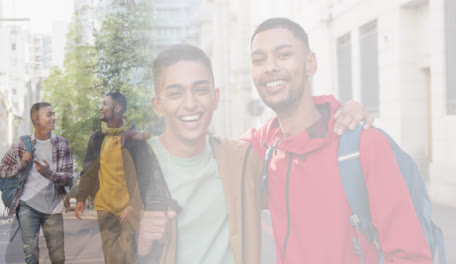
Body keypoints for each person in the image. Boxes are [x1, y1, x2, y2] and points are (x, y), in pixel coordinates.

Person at [134, 43, 373, 264]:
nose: (190, 103)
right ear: (158, 105)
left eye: (200, 90)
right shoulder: (131, 166)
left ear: (216, 98)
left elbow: (288, 135)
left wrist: (338, 112)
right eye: (175, 93)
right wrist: (139, 243)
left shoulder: (241, 158)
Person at [242, 17, 433, 263]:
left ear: (310, 64)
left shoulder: (364, 145)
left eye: (283, 55)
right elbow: (203, 152)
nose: (269, 67)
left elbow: (411, 256)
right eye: (259, 60)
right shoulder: (265, 146)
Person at [74, 92, 151, 264]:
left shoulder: (134, 138)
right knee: (111, 257)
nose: (100, 107)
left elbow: (144, 174)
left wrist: (134, 204)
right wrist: (80, 197)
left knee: (129, 255)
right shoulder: (97, 138)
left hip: (129, 208)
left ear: (117, 108)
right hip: (105, 206)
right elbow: (89, 170)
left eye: (105, 104)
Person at [0, 102, 73, 264]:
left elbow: (68, 178)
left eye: (54, 114)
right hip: (27, 207)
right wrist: (21, 165)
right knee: (30, 255)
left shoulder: (62, 144)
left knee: (58, 257)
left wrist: (48, 173)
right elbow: (2, 170)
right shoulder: (22, 144)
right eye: (49, 115)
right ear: (36, 119)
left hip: (53, 207)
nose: (54, 118)